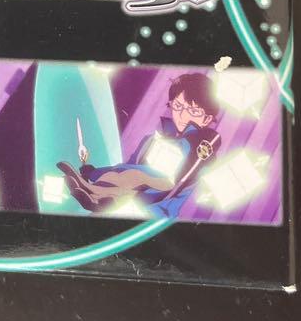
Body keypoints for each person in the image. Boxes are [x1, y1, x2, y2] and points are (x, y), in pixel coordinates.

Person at [57, 71, 221, 218]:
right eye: (178, 106)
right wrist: (94, 172)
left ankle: (95, 191)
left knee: (136, 175)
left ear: (207, 118)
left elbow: (174, 181)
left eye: (193, 111)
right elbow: (124, 168)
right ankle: (93, 191)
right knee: (122, 176)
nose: (183, 115)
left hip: (155, 212)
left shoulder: (200, 145)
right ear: (171, 104)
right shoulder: (152, 140)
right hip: (126, 201)